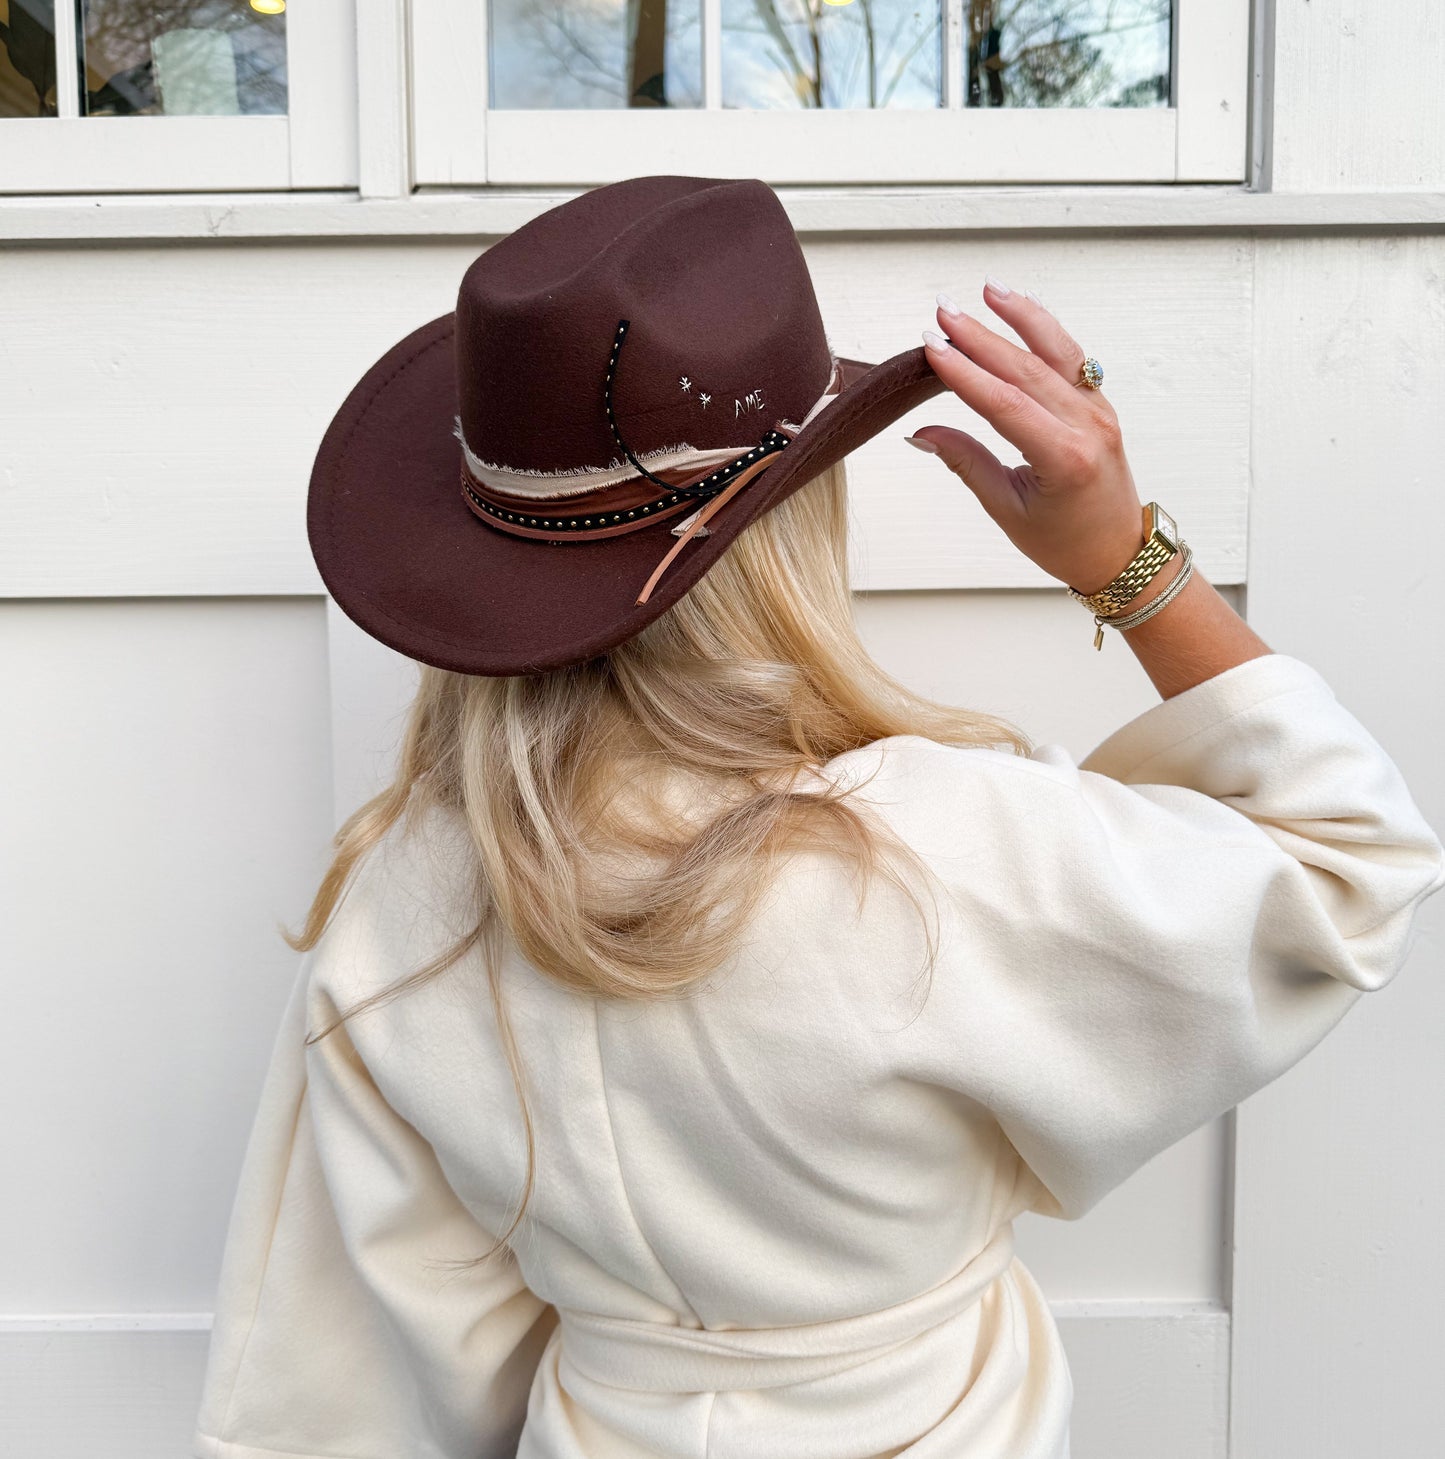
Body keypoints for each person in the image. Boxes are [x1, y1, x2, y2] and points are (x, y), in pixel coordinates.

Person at [192, 176, 1444, 1459]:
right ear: (795, 520)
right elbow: (1350, 855)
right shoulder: (932, 855)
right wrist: (1122, 557)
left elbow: (372, 1370)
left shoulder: (406, 906)